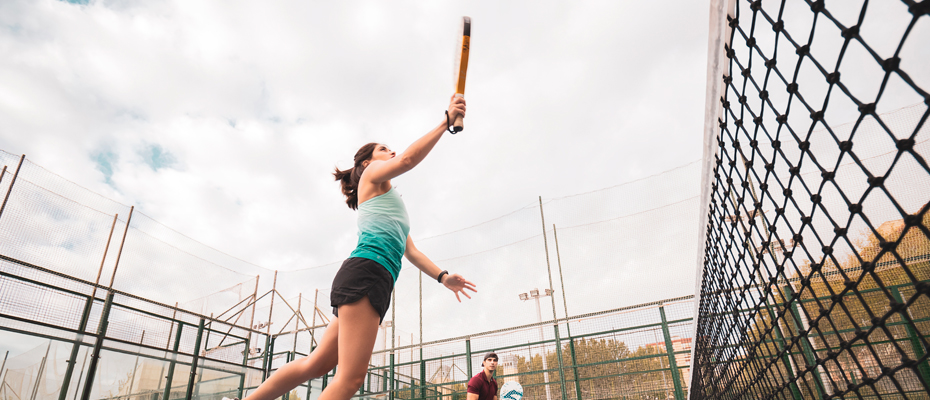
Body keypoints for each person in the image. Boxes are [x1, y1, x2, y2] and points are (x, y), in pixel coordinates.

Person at [232, 95, 477, 400]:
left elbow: (410, 251)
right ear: (366, 163)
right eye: (384, 149)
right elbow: (408, 161)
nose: (393, 152)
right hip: (367, 274)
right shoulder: (373, 176)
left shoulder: (393, 204)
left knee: (317, 364)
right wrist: (445, 120)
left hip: (367, 275)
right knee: (349, 380)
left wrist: (444, 277)